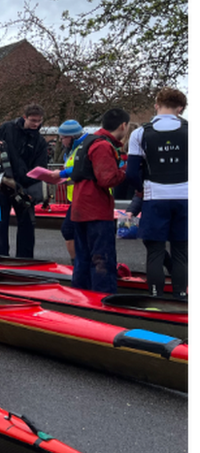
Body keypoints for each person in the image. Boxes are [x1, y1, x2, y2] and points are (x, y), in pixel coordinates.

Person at [126, 88, 190, 298]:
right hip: (186, 198)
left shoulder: (140, 132)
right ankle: (180, 297)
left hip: (155, 198)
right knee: (181, 253)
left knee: (155, 252)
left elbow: (132, 172)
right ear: (180, 108)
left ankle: (156, 297)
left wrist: (141, 189)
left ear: (156, 104)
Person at [69, 108, 130, 293]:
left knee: (83, 258)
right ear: (123, 125)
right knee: (102, 258)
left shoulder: (88, 141)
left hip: (80, 207)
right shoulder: (103, 146)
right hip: (95, 209)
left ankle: (81, 296)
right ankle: (104, 297)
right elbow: (107, 179)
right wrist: (127, 170)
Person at [0, 104, 48, 258]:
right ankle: (0, 256)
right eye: (33, 121)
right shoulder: (7, 129)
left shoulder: (40, 141)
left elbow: (41, 165)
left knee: (27, 225)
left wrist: (29, 184)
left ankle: (25, 258)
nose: (36, 124)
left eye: (39, 121)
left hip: (25, 186)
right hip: (5, 182)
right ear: (25, 118)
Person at [54, 120, 89, 262]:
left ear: (72, 137)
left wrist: (61, 175)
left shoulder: (83, 148)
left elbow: (82, 167)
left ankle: (78, 263)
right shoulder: (70, 150)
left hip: (84, 197)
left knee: (69, 230)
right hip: (75, 197)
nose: (61, 141)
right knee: (74, 231)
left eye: (63, 138)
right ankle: (78, 262)